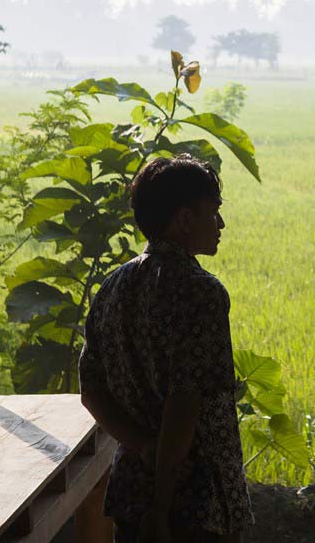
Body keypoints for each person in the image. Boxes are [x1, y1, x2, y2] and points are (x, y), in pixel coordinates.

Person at [79, 155, 252, 543]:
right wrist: (161, 506)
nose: (221, 224)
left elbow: (91, 392)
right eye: (214, 213)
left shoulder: (111, 288)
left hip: (130, 491)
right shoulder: (201, 293)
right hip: (194, 499)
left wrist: (142, 446)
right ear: (185, 220)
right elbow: (185, 402)